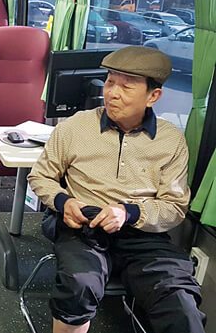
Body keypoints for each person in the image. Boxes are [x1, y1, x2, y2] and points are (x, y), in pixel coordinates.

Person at [28, 46, 206, 333]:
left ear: (153, 96)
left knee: (180, 304)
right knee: (79, 285)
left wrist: (128, 212)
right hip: (85, 228)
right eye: (110, 82)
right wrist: (64, 202)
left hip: (143, 234)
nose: (112, 93)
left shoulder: (170, 140)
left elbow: (174, 207)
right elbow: (41, 176)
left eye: (127, 86)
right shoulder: (76, 127)